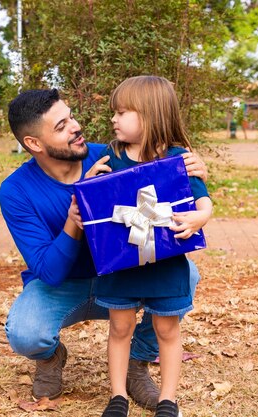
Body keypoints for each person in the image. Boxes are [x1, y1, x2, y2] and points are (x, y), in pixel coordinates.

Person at [0, 88, 208, 411]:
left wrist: (192, 172)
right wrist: (74, 218)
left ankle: (137, 363)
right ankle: (51, 358)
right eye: (61, 126)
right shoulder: (16, 191)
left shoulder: (111, 156)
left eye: (71, 117)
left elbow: (164, 172)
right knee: (26, 333)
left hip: (122, 276)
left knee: (186, 276)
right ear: (34, 144)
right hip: (64, 285)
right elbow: (49, 272)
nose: (75, 127)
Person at [70, 76, 212, 417]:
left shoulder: (179, 159)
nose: (113, 119)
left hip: (166, 266)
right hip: (122, 267)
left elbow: (204, 202)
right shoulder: (110, 156)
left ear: (148, 115)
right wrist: (88, 186)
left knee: (167, 329)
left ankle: (168, 399)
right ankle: (117, 396)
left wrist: (199, 218)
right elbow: (94, 203)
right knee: (120, 327)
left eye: (122, 112)